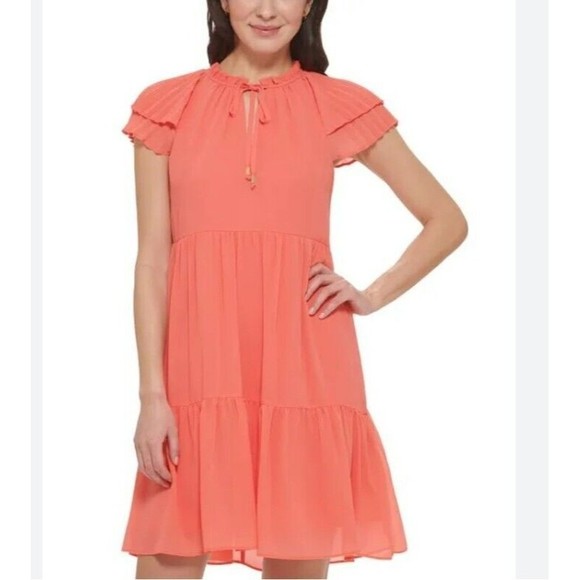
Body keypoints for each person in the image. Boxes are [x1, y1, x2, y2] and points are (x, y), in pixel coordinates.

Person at [119, 1, 468, 578]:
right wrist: (152, 396)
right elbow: (152, 262)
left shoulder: (337, 105)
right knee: (168, 550)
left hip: (304, 366)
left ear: (308, 4)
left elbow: (446, 220)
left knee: (297, 545)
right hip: (197, 368)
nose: (266, 9)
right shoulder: (168, 105)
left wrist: (372, 294)